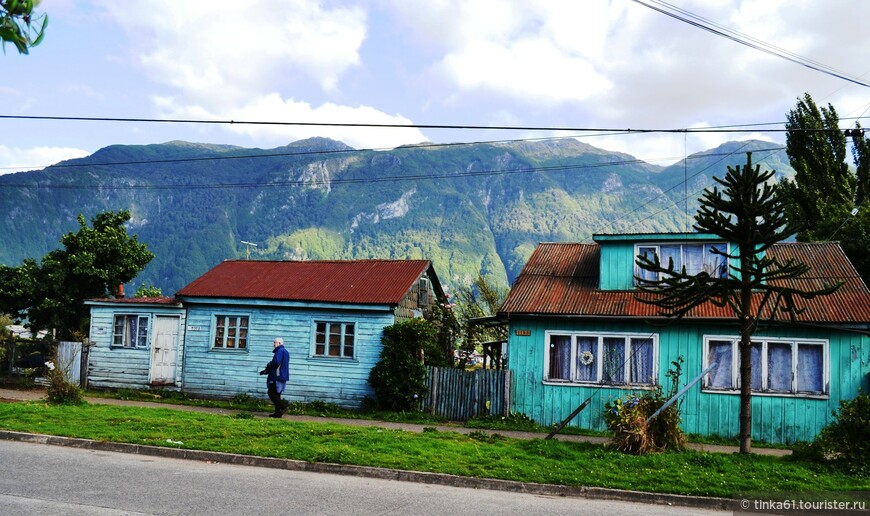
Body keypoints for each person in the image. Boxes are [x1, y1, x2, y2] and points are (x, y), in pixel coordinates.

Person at [260, 337, 290, 417]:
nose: (273, 344)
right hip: (282, 376)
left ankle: (283, 406)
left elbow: (276, 362)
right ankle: (277, 413)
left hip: (277, 376)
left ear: (279, 343)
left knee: (271, 393)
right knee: (277, 394)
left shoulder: (279, 351)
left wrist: (269, 365)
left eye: (275, 342)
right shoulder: (286, 352)